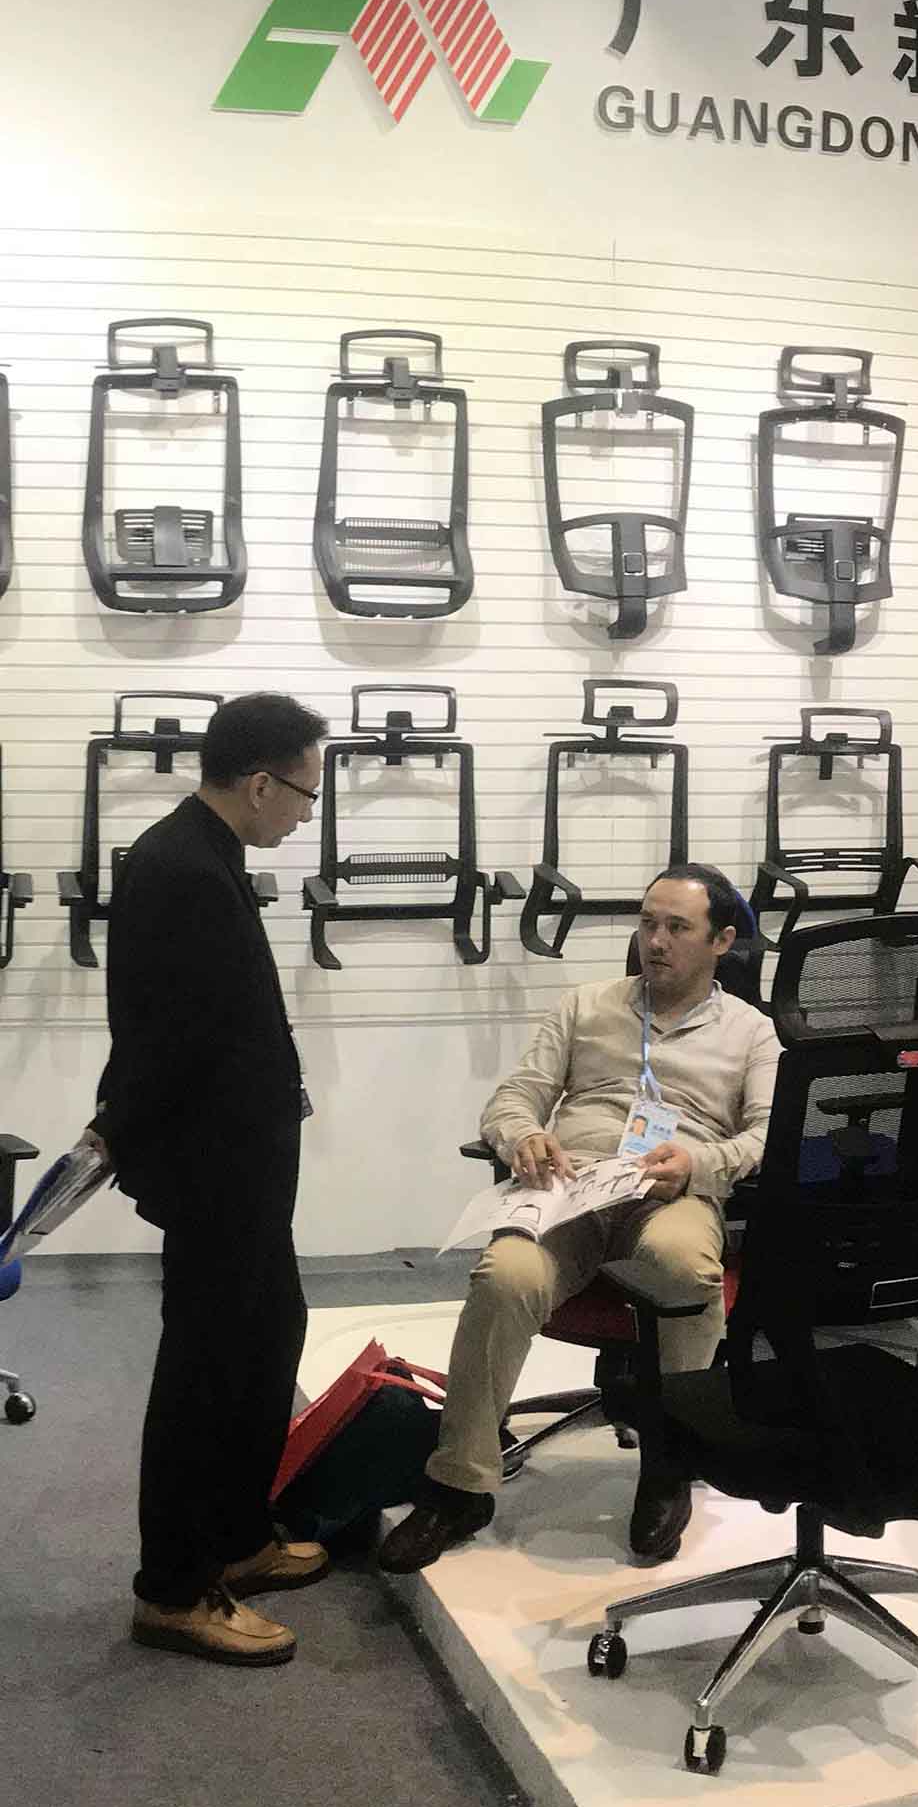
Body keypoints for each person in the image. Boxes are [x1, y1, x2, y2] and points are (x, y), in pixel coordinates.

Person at [379, 865, 779, 1573]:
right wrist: (522, 1136)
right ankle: (459, 1486)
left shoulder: (751, 1032)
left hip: (670, 1192)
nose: (656, 941)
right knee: (505, 1274)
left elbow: (769, 1135)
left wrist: (701, 1163)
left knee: (684, 1267)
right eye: (648, 923)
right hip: (571, 1186)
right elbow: (514, 1098)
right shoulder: (585, 1006)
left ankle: (670, 1465)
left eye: (677, 928)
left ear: (722, 941)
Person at [90, 691, 329, 1668]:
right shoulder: (182, 868)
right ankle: (175, 1588)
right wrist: (119, 1135)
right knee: (205, 1369)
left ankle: (236, 1533)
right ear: (261, 783)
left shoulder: (205, 854)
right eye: (306, 793)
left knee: (270, 1334)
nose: (307, 815)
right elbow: (167, 1040)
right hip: (215, 1168)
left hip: (244, 1161)